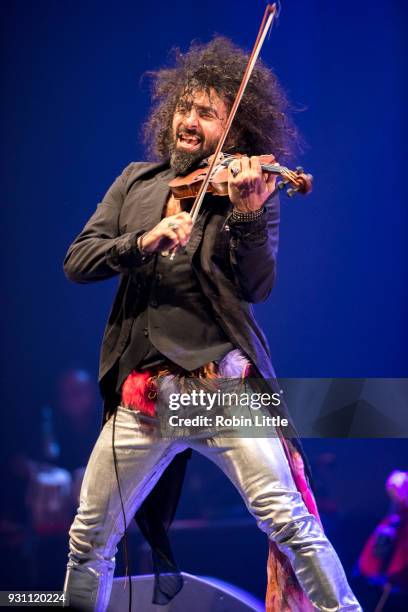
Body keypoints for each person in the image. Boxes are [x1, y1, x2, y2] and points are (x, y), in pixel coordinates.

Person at [62, 37, 361, 611]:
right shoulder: (136, 183)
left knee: (288, 521)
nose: (189, 121)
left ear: (232, 126)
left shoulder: (250, 186)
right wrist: (142, 240)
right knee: (88, 539)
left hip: (218, 388)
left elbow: (256, 288)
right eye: (184, 107)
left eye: (206, 112)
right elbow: (78, 260)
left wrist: (247, 217)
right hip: (143, 392)